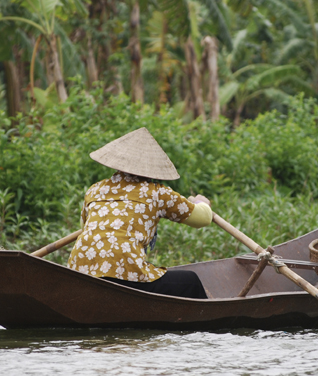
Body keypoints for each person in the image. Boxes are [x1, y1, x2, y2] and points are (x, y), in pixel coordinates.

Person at [67, 127, 213, 299]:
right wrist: (201, 202)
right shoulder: (157, 193)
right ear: (151, 170)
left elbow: (85, 227)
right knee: (191, 281)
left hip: (79, 273)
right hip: (125, 275)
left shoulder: (95, 190)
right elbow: (203, 218)